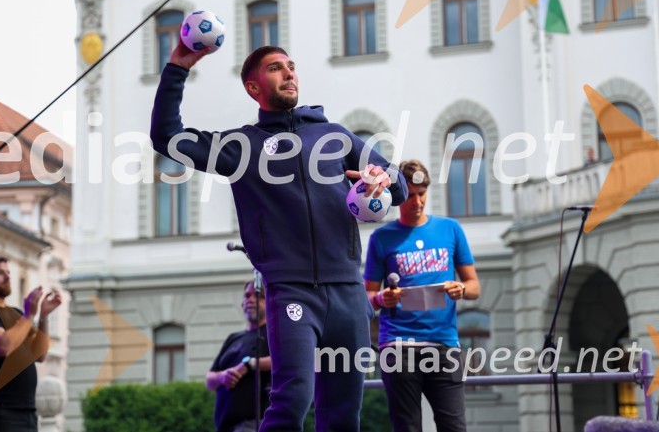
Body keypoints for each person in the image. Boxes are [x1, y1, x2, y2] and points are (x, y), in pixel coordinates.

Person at [150, 43, 407, 431]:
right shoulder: (241, 147)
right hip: (291, 292)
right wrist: (177, 67)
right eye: (275, 68)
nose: (289, 73)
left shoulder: (335, 136)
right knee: (293, 399)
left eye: (291, 66)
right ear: (253, 87)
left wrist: (383, 178)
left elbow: (399, 186)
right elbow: (166, 136)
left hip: (348, 294)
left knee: (343, 413)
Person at [363, 160, 481, 432]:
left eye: (422, 194)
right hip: (398, 346)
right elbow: (367, 296)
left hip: (444, 344)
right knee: (408, 426)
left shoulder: (450, 229)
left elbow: (474, 286)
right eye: (410, 196)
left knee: (454, 426)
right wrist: (381, 299)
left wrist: (461, 289)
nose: (417, 202)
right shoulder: (382, 238)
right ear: (397, 197)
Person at [0, 255, 62, 432]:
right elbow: (3, 346)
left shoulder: (17, 314)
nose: (7, 277)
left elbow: (40, 354)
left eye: (8, 272)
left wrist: (43, 316)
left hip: (26, 410)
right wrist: (29, 315)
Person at [206, 280, 272, 432]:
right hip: (225, 426)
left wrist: (249, 364)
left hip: (254, 423)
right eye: (247, 295)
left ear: (269, 301)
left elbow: (285, 360)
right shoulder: (233, 338)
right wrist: (222, 376)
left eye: (258, 295)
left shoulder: (273, 333)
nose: (250, 299)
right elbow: (209, 380)